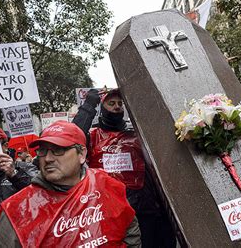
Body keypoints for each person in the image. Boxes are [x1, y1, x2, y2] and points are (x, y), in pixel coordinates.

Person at [0, 121, 140, 247]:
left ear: (82, 154)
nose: (48, 158)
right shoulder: (18, 209)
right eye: (43, 151)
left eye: (58, 150)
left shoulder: (107, 185)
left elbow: (130, 230)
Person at [73, 89, 176, 247]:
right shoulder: (92, 137)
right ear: (102, 107)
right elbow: (72, 137)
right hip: (108, 211)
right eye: (111, 103)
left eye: (120, 104)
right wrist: (88, 106)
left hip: (144, 210)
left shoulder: (137, 134)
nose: (117, 107)